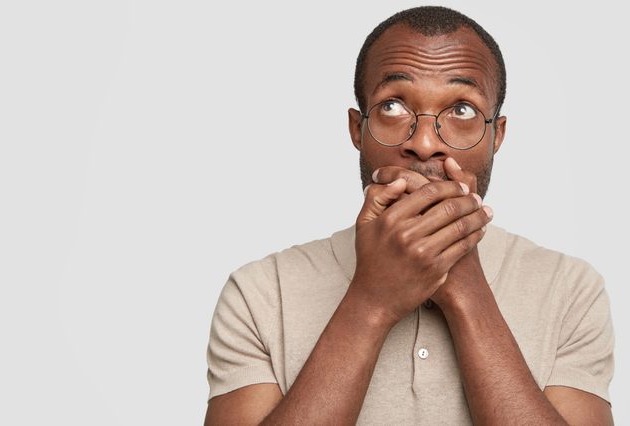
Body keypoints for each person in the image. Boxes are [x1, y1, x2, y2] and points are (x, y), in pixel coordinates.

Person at [204, 6, 614, 425]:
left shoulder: (571, 290)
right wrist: (371, 301)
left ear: (497, 135)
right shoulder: (260, 293)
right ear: (356, 129)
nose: (423, 143)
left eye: (462, 110)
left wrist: (465, 287)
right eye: (394, 105)